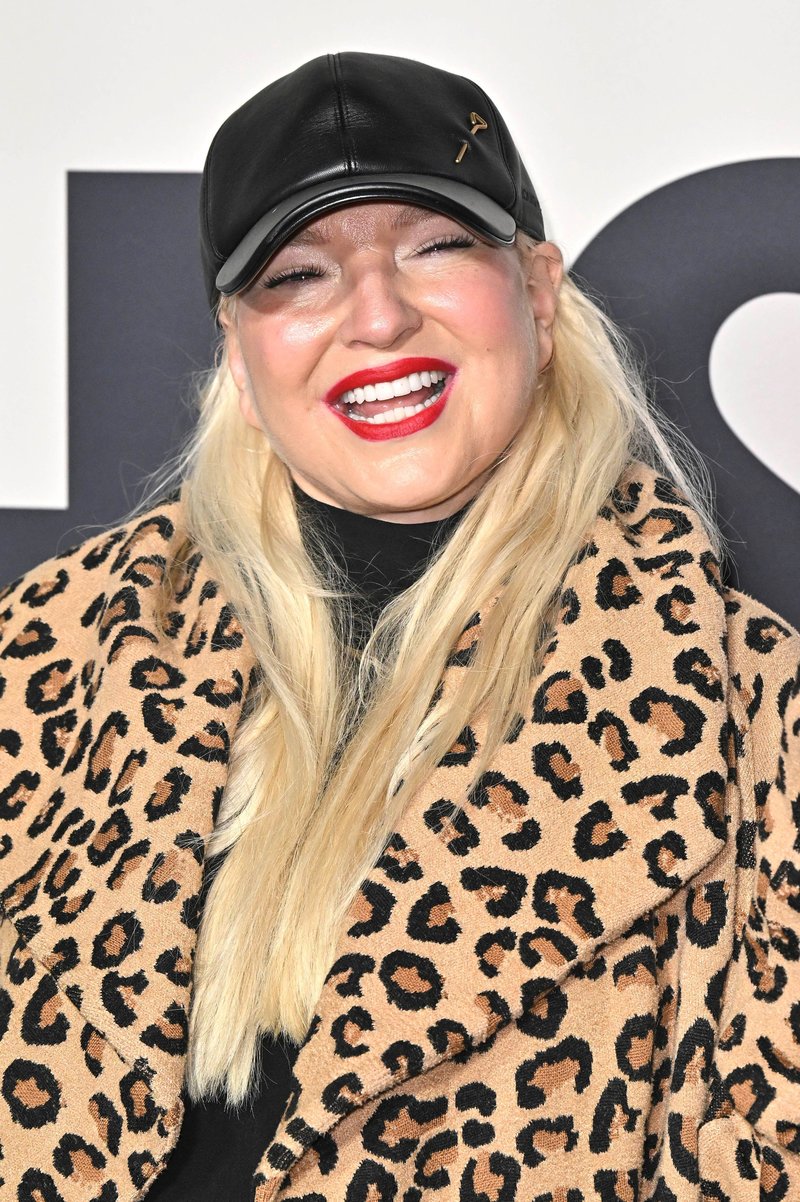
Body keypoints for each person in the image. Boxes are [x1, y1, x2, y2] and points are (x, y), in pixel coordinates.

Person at [0, 50, 798, 1202]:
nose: (377, 316)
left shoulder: (749, 713)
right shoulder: (58, 652)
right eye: (299, 273)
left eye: (433, 247)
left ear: (536, 289)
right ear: (237, 349)